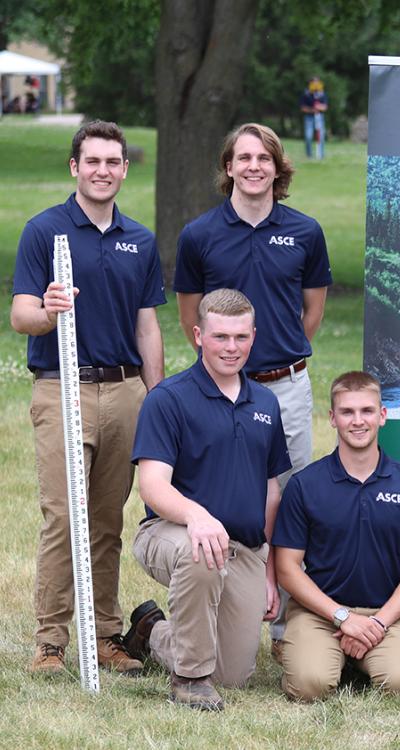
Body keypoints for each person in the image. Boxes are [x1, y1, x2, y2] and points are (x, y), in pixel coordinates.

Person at [11, 120, 165, 676]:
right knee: (63, 517)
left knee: (106, 521)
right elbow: (21, 315)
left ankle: (105, 636)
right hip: (62, 386)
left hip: (125, 391)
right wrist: (48, 310)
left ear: (124, 169)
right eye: (93, 161)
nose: (103, 170)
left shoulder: (140, 240)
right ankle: (49, 642)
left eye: (113, 162)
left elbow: (147, 327)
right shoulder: (44, 231)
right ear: (75, 167)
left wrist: (156, 396)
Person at [173, 122, 332, 650]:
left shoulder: (305, 232)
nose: (254, 167)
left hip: (285, 386)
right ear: (228, 167)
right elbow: (190, 316)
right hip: (218, 389)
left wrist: (272, 359)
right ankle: (223, 609)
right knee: (225, 493)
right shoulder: (199, 235)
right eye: (243, 158)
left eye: (264, 158)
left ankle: (286, 623)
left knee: (288, 500)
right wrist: (230, 366)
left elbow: (311, 311)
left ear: (277, 167)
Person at [123, 289, 291, 711]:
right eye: (219, 337)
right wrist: (197, 516)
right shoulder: (169, 399)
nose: (230, 348)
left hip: (245, 549)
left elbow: (270, 492)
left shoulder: (266, 404)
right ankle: (188, 680)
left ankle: (152, 631)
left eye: (240, 337)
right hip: (173, 534)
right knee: (203, 555)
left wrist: (269, 572)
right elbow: (153, 486)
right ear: (198, 335)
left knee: (232, 675)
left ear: (253, 336)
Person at [272, 371, 400, 700]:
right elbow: (287, 568)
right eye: (347, 412)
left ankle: (355, 657)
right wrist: (342, 617)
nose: (357, 421)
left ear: (382, 415)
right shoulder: (305, 485)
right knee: (309, 687)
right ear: (332, 418)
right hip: (320, 613)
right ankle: (319, 654)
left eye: (367, 411)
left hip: (386, 615)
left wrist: (376, 624)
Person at [300, 77, 329, 159]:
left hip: (319, 117)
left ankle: (321, 155)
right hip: (309, 117)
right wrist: (312, 110)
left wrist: (319, 107)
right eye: (314, 82)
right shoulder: (306, 94)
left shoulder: (322, 94)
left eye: (317, 82)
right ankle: (309, 155)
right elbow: (303, 107)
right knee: (308, 136)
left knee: (321, 136)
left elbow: (325, 107)